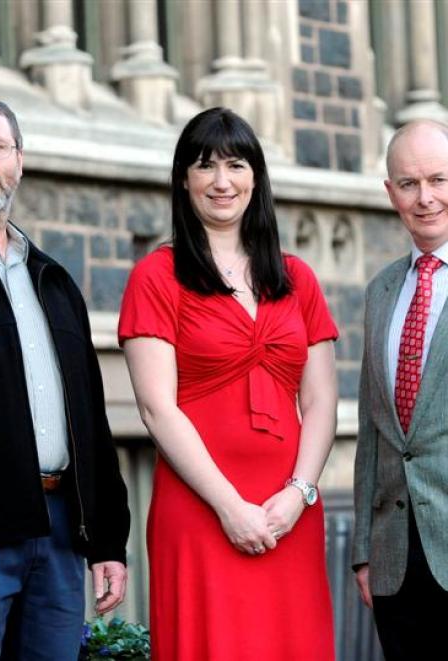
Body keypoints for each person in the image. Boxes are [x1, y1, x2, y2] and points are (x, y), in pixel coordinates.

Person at [118, 107, 338, 660]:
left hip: (290, 513)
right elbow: (155, 408)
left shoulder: (297, 278)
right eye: (205, 166)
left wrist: (299, 493)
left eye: (236, 165)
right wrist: (229, 507)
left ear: (256, 178)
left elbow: (321, 401)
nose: (221, 181)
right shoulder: (156, 276)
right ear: (183, 180)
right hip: (200, 511)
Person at [0, 95, 130, 661]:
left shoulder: (52, 280)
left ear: (19, 160)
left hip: (58, 532)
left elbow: (91, 421)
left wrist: (107, 540)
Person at [353, 119, 448, 660]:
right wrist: (365, 552)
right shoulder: (381, 291)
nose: (425, 197)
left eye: (438, 179)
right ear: (390, 194)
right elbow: (372, 428)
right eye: (409, 184)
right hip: (395, 564)